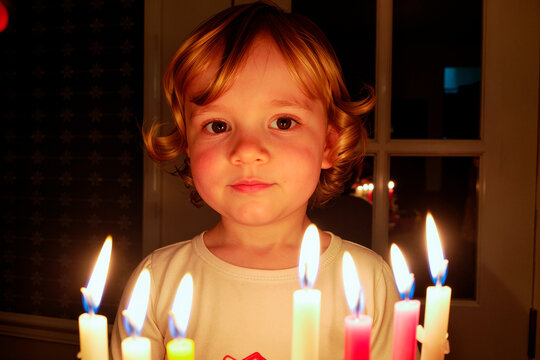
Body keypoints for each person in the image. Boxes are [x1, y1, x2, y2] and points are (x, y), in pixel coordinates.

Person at [111, 2, 400, 359]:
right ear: (187, 145)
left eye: (283, 122)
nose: (247, 151)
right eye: (218, 125)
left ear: (329, 143)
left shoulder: (367, 280)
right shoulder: (156, 282)